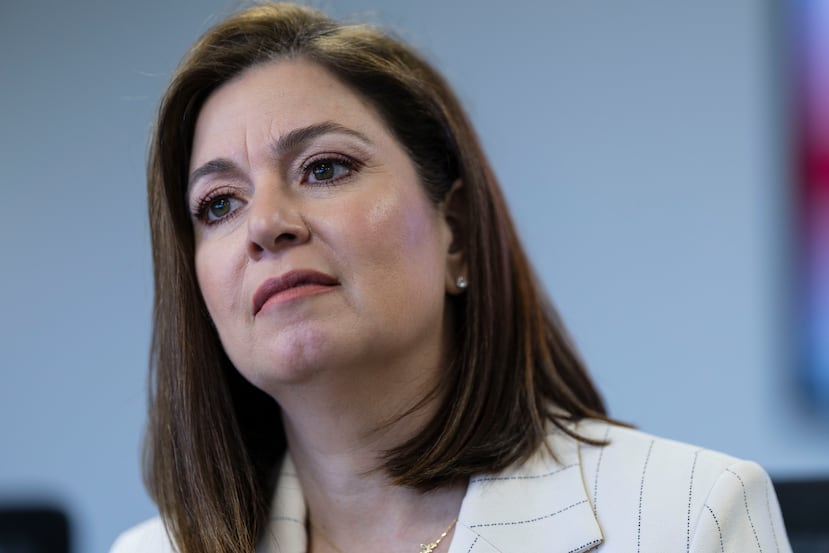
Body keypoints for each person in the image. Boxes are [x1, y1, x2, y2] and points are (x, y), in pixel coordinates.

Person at [111, 3, 791, 552]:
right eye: (218, 205)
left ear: (457, 232)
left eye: (324, 168)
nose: (265, 223)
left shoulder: (689, 517)